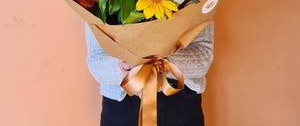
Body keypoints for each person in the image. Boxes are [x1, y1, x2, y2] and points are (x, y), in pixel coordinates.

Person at [85, 22, 214, 126]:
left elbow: (204, 56)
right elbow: (95, 61)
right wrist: (122, 65)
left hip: (180, 102)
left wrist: (164, 62)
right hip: (121, 105)